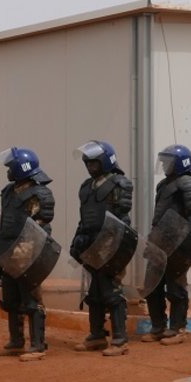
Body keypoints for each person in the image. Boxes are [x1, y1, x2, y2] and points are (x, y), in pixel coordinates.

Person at [0, 147, 55, 362]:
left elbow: (41, 229)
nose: (7, 171)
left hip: (28, 256)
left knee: (31, 300)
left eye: (10, 167)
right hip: (7, 252)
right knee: (11, 299)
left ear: (20, 168)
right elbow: (3, 224)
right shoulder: (8, 192)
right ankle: (16, 341)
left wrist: (25, 254)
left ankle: (37, 344)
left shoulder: (40, 193)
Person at [70, 140, 135, 356]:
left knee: (112, 292)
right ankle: (96, 336)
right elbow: (85, 219)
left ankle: (119, 340)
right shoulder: (86, 187)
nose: (90, 167)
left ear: (106, 161)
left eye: (94, 163)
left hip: (111, 245)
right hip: (91, 247)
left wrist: (111, 245)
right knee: (94, 293)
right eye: (87, 163)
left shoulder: (120, 183)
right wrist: (78, 240)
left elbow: (121, 218)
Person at [143, 144, 191, 345]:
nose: (164, 165)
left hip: (176, 243)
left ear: (179, 164)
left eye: (167, 162)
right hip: (159, 240)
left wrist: (182, 242)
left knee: (176, 288)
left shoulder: (187, 183)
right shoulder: (164, 184)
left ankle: (177, 329)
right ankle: (158, 327)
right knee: (152, 286)